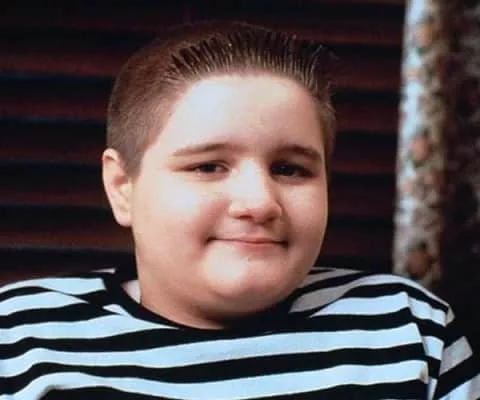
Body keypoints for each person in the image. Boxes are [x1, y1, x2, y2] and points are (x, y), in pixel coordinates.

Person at [0, 21, 478, 400]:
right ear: (122, 187)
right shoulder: (20, 337)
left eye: (290, 169)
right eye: (208, 166)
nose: (259, 202)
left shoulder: (407, 329)